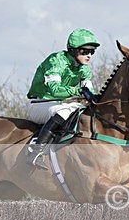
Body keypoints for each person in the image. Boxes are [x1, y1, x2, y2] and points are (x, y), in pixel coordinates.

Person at [24, 28, 100, 170]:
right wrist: (78, 90)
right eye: (85, 51)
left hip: (57, 105)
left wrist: (95, 97)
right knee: (67, 110)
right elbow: (55, 90)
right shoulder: (56, 61)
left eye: (92, 52)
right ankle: (36, 152)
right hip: (39, 104)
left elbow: (89, 90)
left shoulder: (84, 68)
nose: (89, 55)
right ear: (73, 50)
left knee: (84, 111)